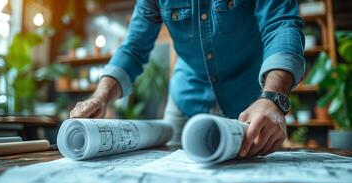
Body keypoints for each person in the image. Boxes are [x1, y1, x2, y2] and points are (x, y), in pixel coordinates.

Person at [70, 0, 305, 158]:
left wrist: (273, 98)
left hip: (251, 102)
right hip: (186, 98)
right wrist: (100, 97)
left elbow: (281, 24)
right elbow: (133, 48)